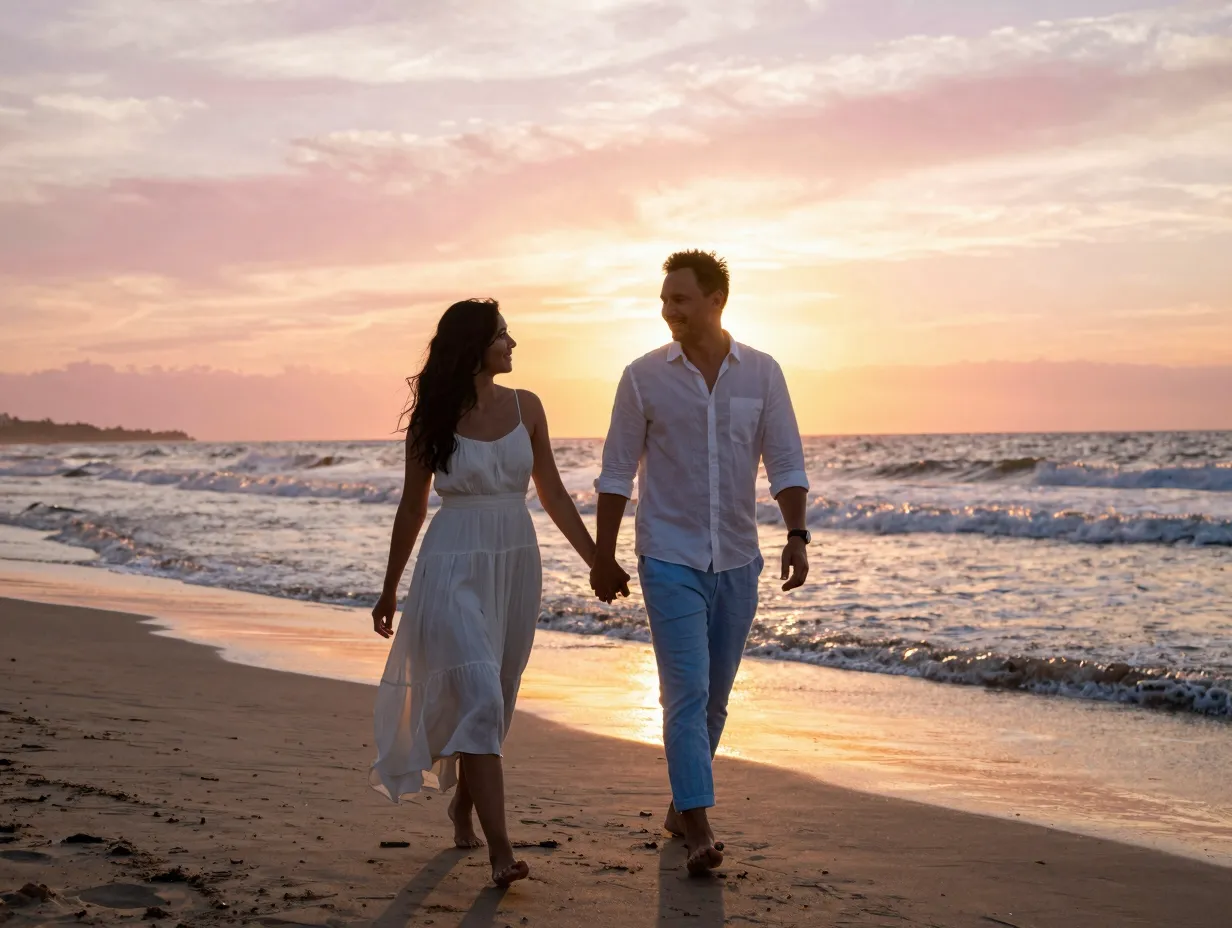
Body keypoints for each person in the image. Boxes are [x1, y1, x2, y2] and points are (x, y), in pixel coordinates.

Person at [590, 250, 810, 876]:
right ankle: (700, 828)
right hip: (668, 555)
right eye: (664, 301)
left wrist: (797, 535)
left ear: (716, 299)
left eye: (680, 300)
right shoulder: (642, 377)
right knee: (684, 694)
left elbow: (786, 462)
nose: (669, 312)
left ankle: (680, 807)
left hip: (739, 558)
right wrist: (603, 556)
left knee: (714, 700)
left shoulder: (762, 373)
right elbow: (615, 473)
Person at [369, 298, 601, 887]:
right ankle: (503, 852)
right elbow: (413, 506)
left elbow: (551, 493)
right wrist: (390, 589)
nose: (512, 344)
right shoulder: (433, 419)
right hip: (450, 562)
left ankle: (464, 806)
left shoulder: (530, 407)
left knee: (494, 695)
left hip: (515, 561)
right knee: (478, 690)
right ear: (475, 345)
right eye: (503, 335)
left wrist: (598, 559)